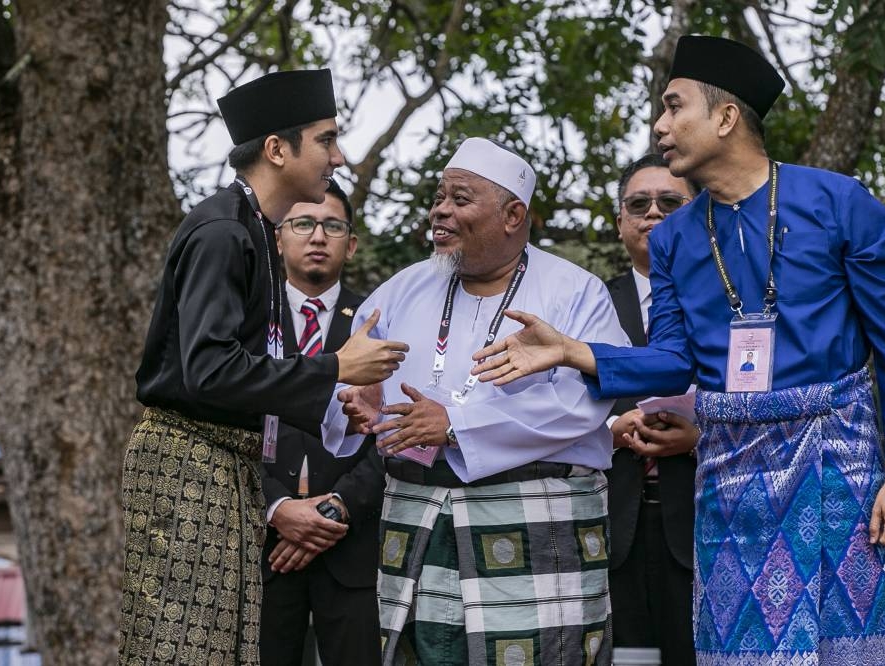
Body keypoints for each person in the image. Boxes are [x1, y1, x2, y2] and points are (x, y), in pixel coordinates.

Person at [473, 36, 885, 664]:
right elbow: (674, 360)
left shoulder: (840, 204)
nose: (660, 126)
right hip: (730, 465)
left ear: (726, 117)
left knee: (838, 648)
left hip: (834, 458)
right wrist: (575, 352)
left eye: (672, 106)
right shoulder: (677, 237)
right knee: (737, 646)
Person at [120, 69, 408, 665]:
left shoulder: (257, 229)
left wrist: (335, 409)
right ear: (277, 149)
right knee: (185, 650)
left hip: (224, 466)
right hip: (188, 465)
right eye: (326, 140)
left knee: (226, 646)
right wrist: (333, 368)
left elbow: (252, 365)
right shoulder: (225, 230)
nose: (339, 156)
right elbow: (209, 370)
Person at [325, 137, 630, 665]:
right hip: (416, 515)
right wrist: (355, 406)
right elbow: (351, 379)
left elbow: (585, 403)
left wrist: (455, 423)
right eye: (439, 196)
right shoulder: (403, 288)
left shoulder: (575, 292)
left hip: (535, 516)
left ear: (514, 215)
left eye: (460, 199)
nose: (440, 210)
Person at [259, 182, 385, 666]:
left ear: (350, 243)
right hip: (265, 545)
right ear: (278, 237)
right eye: (303, 224)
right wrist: (279, 508)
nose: (318, 236)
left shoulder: (377, 322)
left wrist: (337, 508)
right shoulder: (251, 320)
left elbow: (395, 430)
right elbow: (227, 425)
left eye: (333, 225)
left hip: (352, 546)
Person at [604, 153, 699, 664]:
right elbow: (556, 401)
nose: (653, 215)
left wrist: (702, 434)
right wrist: (609, 428)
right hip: (610, 527)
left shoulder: (729, 304)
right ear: (620, 221)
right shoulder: (588, 302)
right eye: (638, 204)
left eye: (670, 202)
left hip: (705, 526)